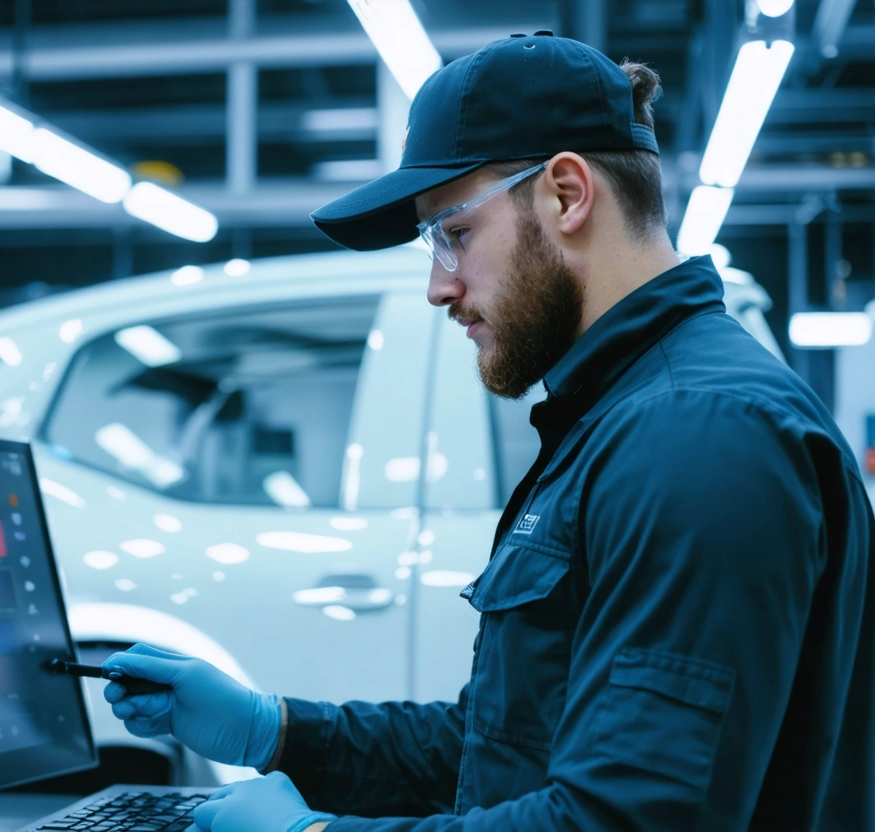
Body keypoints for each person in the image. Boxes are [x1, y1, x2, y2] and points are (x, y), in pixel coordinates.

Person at [101, 32, 875, 832]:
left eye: (454, 232)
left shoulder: (698, 438)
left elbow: (622, 822)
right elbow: (503, 747)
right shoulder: (622, 420)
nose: (439, 286)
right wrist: (276, 730)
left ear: (568, 194)